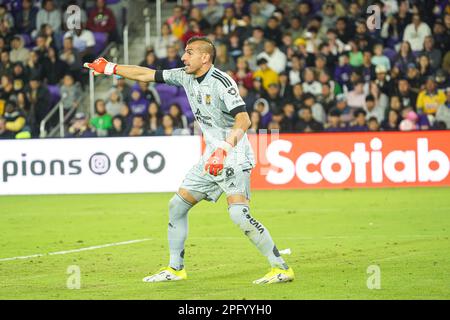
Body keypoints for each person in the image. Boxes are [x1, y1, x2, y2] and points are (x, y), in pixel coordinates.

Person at [84, 36, 294, 284]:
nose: (183, 57)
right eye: (184, 52)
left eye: (189, 52)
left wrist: (223, 150)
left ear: (205, 57)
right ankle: (176, 268)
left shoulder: (222, 82)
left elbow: (244, 121)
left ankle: (281, 268)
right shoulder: (184, 75)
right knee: (177, 205)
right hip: (210, 157)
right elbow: (147, 74)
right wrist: (111, 68)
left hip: (233, 155)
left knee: (238, 214)